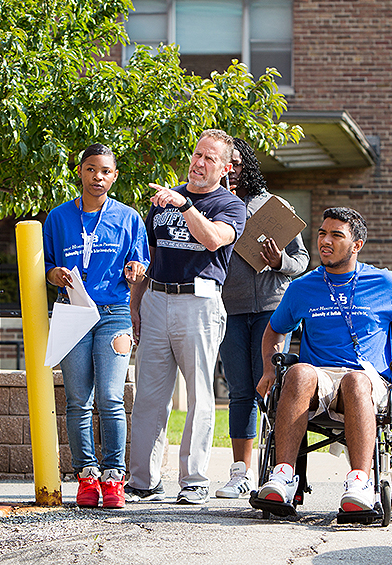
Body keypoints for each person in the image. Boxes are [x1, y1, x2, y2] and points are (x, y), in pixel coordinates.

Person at [256, 207, 392, 513]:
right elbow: (275, 329)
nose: (325, 241)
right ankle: (283, 476)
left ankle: (359, 483)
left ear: (357, 245)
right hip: (319, 379)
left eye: (336, 235)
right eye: (322, 234)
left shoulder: (385, 283)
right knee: (298, 373)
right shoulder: (302, 287)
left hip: (367, 379)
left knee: (355, 381)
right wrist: (267, 370)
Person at [125, 129, 247, 505]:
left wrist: (185, 206)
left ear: (225, 169)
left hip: (200, 302)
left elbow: (212, 239)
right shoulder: (164, 200)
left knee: (199, 396)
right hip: (156, 298)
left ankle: (193, 480)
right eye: (197, 154)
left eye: (210, 158)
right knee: (149, 394)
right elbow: (148, 254)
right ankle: (143, 481)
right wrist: (136, 302)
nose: (199, 162)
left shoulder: (230, 206)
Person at [43, 143, 150, 509]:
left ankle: (114, 477)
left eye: (105, 171)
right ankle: (87, 477)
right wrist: (54, 274)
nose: (97, 177)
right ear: (80, 172)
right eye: (91, 169)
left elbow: (140, 262)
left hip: (114, 313)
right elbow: (47, 266)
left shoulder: (129, 218)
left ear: (114, 176)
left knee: (110, 397)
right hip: (72, 310)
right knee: (78, 400)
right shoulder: (58, 217)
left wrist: (136, 269)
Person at [215, 138, 309, 499]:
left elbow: (302, 261)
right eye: (226, 164)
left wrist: (279, 261)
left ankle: (277, 467)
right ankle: (240, 472)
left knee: (271, 387)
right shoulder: (212, 206)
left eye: (237, 163)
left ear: (248, 166)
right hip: (230, 310)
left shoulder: (274, 206)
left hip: (272, 309)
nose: (232, 170)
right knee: (240, 391)